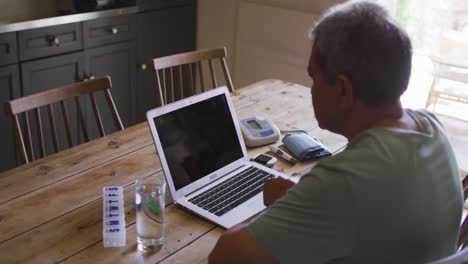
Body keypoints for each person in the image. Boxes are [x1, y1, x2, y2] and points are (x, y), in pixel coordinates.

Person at [208, 1, 463, 263]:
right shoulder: (431, 128)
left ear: (343, 90)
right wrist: (306, 203)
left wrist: (282, 208)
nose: (311, 89)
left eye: (314, 77)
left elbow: (224, 258)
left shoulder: (345, 180)